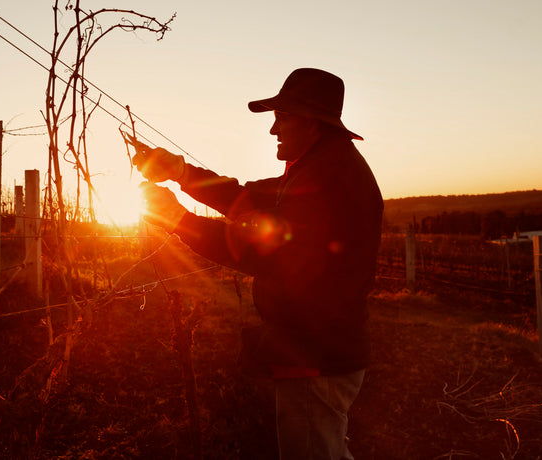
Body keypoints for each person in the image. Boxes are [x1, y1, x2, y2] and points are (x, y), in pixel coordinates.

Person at [130, 68, 383, 460]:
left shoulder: (328, 177)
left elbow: (268, 255)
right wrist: (180, 172)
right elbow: (247, 199)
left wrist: (179, 221)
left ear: (310, 121)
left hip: (317, 356)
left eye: (281, 117)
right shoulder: (319, 167)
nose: (272, 130)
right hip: (321, 351)